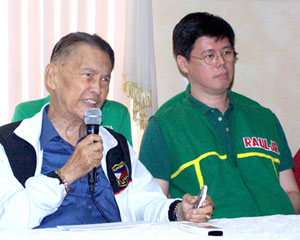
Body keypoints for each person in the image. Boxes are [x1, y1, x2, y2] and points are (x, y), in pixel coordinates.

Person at [0, 32, 214, 230]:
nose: (98, 88)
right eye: (88, 75)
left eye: (105, 79)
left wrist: (179, 211)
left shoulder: (115, 145)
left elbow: (145, 202)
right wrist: (67, 174)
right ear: (52, 77)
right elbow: (7, 221)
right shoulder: (9, 145)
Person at [139, 12, 300, 218]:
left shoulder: (263, 117)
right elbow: (154, 207)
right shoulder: (164, 125)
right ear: (183, 63)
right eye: (209, 56)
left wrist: (279, 222)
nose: (221, 62)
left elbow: (290, 191)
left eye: (227, 53)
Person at [12, 95, 133, 145]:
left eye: (104, 78)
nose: (96, 86)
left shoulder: (117, 112)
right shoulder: (27, 112)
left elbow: (127, 174)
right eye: (86, 75)